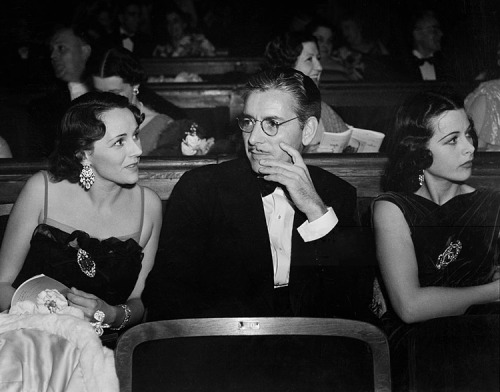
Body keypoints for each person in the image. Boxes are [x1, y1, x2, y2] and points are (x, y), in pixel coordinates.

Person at [143, 67, 373, 321]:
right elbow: (165, 296)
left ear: (307, 131)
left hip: (313, 345)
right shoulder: (201, 189)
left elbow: (355, 303)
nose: (253, 138)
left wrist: (315, 211)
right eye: (249, 122)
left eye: (272, 124)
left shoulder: (336, 195)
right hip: (225, 345)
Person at [0, 92, 162, 335]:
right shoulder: (41, 190)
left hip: (108, 348)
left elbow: (140, 302)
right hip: (30, 338)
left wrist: (112, 314)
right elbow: (1, 284)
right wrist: (51, 321)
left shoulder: (149, 206)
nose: (137, 149)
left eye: (135, 135)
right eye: (120, 141)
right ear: (84, 154)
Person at [371, 91, 500, 390]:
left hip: (486, 333)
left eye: (468, 135)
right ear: (419, 151)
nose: (469, 148)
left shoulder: (491, 204)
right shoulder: (393, 208)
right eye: (452, 140)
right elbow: (411, 307)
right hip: (421, 342)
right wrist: (492, 292)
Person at [91, 47, 187, 155]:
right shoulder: (89, 122)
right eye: (99, 92)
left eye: (115, 93)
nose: (105, 100)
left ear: (135, 85)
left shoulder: (162, 128)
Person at [263, 31, 349, 153]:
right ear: (288, 67)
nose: (319, 67)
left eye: (318, 58)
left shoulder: (323, 109)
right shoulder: (270, 111)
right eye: (309, 59)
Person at [28, 24, 93, 156]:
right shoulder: (42, 107)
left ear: (85, 52)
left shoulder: (106, 91)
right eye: (51, 50)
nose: (53, 56)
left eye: (61, 48)